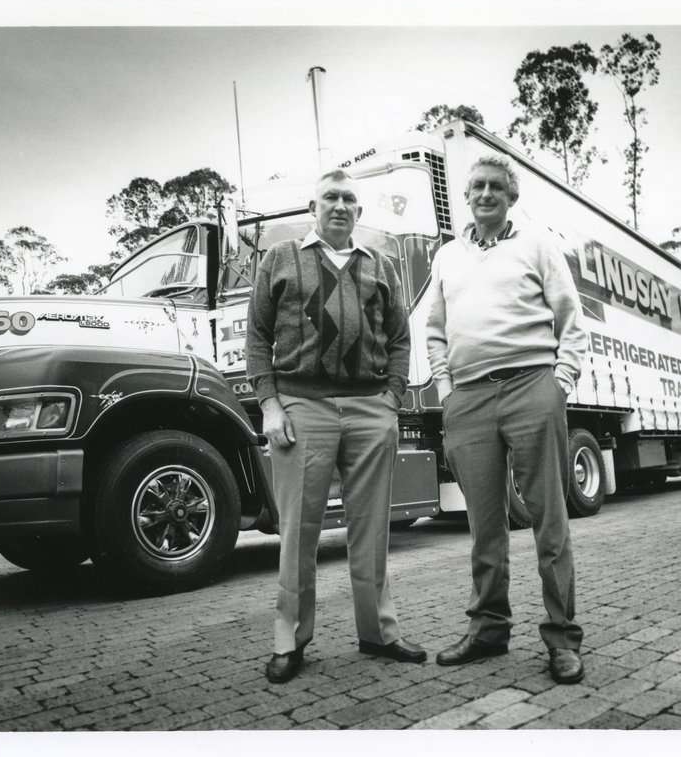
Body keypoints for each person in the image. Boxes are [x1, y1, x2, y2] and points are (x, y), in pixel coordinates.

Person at [246, 168, 426, 684]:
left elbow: (399, 338)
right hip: (302, 406)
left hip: (370, 408)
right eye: (331, 197)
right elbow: (258, 338)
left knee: (371, 529)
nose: (340, 205)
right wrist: (270, 405)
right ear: (313, 207)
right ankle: (290, 640)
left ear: (360, 212)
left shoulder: (382, 265)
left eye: (349, 198)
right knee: (298, 532)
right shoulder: (279, 258)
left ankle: (379, 633)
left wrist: (391, 400)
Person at [425, 154, 588, 684]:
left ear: (511, 197)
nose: (486, 193)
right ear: (466, 196)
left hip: (530, 387)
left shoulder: (538, 244)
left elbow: (571, 320)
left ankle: (562, 639)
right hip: (468, 400)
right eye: (477, 185)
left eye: (497, 186)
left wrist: (558, 384)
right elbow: (434, 329)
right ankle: (488, 630)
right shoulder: (447, 256)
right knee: (483, 525)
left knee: (549, 519)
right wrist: (446, 389)